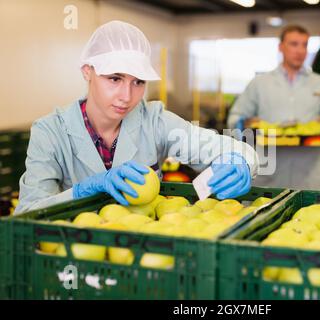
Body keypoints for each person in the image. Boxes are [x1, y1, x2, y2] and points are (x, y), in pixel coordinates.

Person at [15, 21, 258, 214]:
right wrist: (81, 191)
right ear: (87, 72)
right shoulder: (50, 132)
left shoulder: (155, 120)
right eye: (115, 78)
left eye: (138, 82)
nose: (127, 96)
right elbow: (27, 212)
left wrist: (240, 160)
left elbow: (224, 147)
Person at [227, 25, 320, 190]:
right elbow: (234, 120)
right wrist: (246, 123)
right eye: (294, 44)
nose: (300, 50)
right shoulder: (259, 84)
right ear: (281, 47)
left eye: (304, 45)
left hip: (310, 176)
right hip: (268, 174)